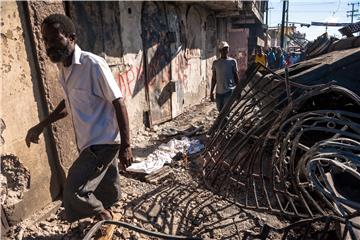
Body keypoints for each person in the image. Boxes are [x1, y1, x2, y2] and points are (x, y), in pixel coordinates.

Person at [25, 14, 132, 238]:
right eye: (45, 40)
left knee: (74, 188)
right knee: (104, 183)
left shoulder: (92, 64)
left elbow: (118, 102)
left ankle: (104, 216)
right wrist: (40, 125)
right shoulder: (65, 68)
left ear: (71, 37)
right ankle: (110, 215)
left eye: (55, 39)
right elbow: (68, 104)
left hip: (103, 140)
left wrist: (126, 145)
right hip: (88, 141)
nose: (49, 45)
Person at [210, 41, 239, 112]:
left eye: (227, 48)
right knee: (220, 111)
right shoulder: (216, 63)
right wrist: (211, 92)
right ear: (220, 51)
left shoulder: (232, 61)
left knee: (226, 111)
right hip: (219, 92)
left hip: (229, 91)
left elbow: (236, 76)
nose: (226, 50)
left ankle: (225, 123)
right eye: (224, 49)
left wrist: (238, 90)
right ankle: (223, 123)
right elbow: (214, 78)